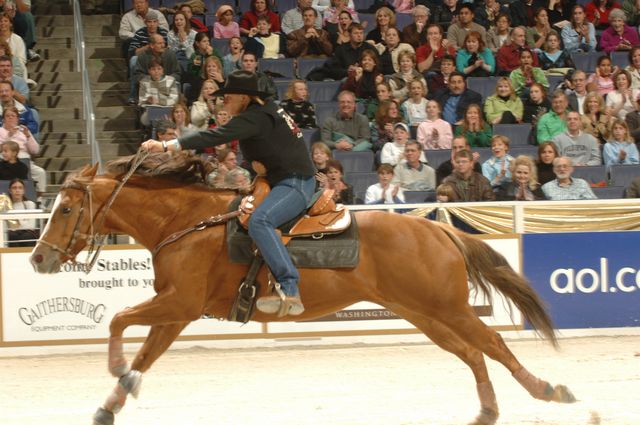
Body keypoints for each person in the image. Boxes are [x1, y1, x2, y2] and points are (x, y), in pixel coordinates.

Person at [141, 70, 316, 317]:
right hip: (283, 178)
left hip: (296, 183)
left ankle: (289, 287)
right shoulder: (266, 111)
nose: (224, 102)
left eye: (229, 96)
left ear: (245, 97)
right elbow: (279, 146)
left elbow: (214, 135)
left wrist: (167, 145)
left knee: (260, 221)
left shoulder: (254, 117)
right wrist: (260, 163)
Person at [307, 23, 377, 81]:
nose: (359, 35)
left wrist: (364, 69)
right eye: (356, 33)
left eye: (361, 33)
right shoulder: (341, 49)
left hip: (368, 76)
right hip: (347, 78)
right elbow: (333, 69)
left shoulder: (370, 48)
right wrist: (347, 71)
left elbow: (379, 65)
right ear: (350, 35)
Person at [0, 105, 43, 192]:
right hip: (4, 161)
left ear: (18, 119)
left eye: (13, 116)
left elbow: (35, 151)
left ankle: (38, 199)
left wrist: (28, 136)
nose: (10, 118)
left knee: (40, 173)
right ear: (3, 119)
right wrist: (9, 136)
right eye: (8, 116)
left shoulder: (24, 131)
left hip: (24, 161)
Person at [138, 58, 179, 127]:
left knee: (163, 118)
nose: (156, 71)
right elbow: (141, 101)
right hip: (150, 111)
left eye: (159, 69)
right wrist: (148, 100)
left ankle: (157, 134)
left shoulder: (171, 80)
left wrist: (158, 101)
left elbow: (174, 100)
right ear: (149, 71)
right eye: (153, 69)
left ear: (163, 70)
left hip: (168, 110)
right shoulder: (144, 82)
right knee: (151, 117)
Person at [5, 177, 39, 246]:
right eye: (14, 188)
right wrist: (22, 223)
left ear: (24, 191)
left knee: (26, 236)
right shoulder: (6, 206)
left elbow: (31, 226)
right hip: (12, 234)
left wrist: (15, 226)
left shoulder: (30, 204)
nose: (17, 190)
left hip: (27, 233)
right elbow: (5, 227)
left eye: (20, 188)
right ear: (10, 191)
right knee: (12, 236)